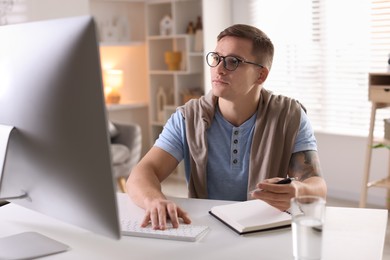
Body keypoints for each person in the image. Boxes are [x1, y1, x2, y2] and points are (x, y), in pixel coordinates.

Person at [126, 24, 327, 230]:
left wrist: (299, 191)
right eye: (216, 58)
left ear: (261, 75)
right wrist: (155, 201)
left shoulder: (290, 115)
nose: (219, 69)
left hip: (264, 229)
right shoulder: (188, 117)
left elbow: (317, 185)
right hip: (204, 227)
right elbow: (141, 174)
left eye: (233, 61)